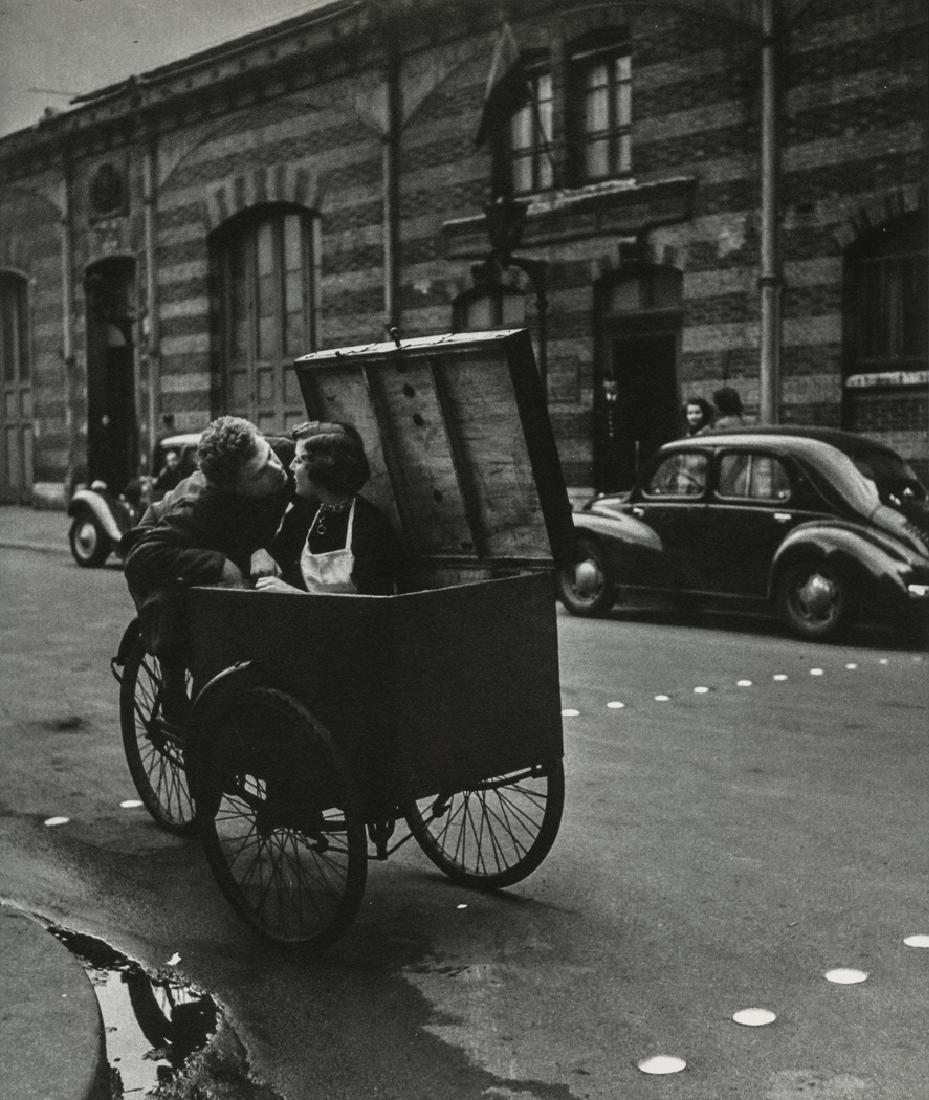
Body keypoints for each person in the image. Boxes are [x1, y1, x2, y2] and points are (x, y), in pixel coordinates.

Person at [122, 416, 292, 718]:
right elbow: (141, 559)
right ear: (233, 488)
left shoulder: (283, 452)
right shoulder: (200, 505)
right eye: (258, 474)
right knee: (179, 614)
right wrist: (217, 563)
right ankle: (176, 698)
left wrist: (259, 548)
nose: (276, 469)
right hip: (164, 543)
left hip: (224, 534)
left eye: (269, 455)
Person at [256, 420, 402, 597]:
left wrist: (296, 596)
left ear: (322, 469)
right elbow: (277, 558)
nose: (291, 466)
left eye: (300, 460)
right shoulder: (303, 514)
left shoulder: (371, 526)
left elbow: (376, 607)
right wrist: (260, 552)